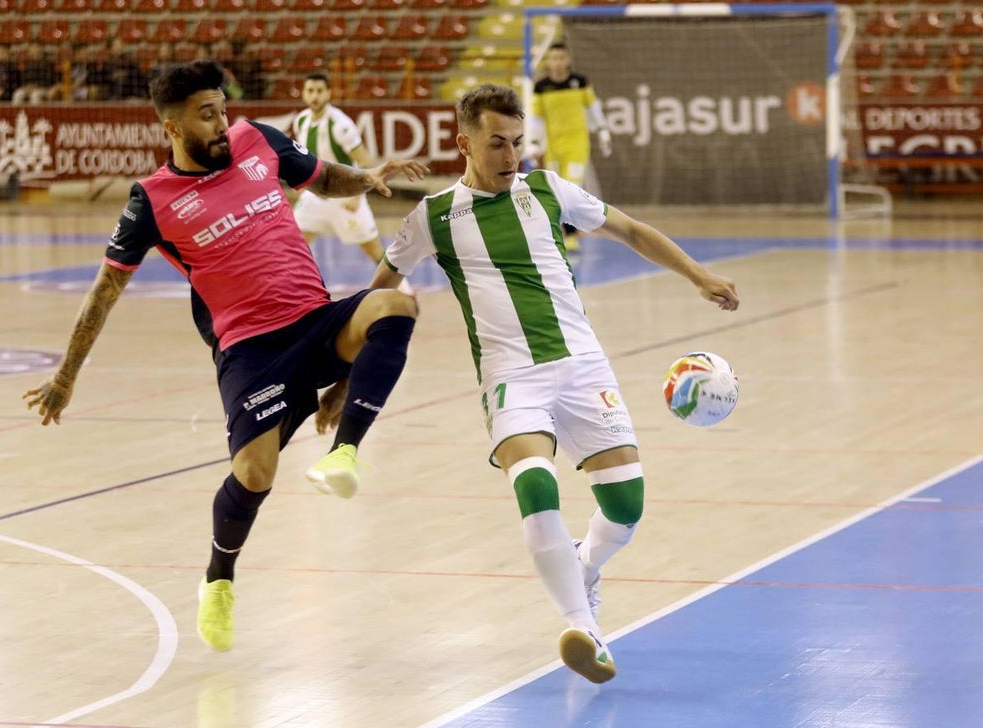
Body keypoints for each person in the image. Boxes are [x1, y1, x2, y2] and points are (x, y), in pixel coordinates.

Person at [22, 60, 427, 652]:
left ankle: (345, 454)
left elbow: (319, 176)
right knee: (255, 474)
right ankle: (218, 580)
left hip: (315, 322)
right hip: (251, 352)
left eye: (222, 110)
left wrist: (368, 176)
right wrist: (65, 375)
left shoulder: (255, 140)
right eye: (206, 115)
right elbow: (104, 292)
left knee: (394, 306)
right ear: (171, 126)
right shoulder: (152, 202)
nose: (220, 124)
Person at [364, 84, 739, 684]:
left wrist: (696, 274)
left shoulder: (547, 190)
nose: (511, 155)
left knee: (625, 507)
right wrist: (347, 374)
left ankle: (584, 568)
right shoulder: (431, 217)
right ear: (464, 143)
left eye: (517, 142)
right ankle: (581, 627)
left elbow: (632, 230)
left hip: (583, 366)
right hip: (510, 377)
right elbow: (379, 291)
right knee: (535, 485)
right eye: (496, 143)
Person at [291, 72, 413, 295]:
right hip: (315, 197)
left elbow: (365, 162)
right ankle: (296, 295)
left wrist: (358, 196)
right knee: (293, 245)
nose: (315, 96)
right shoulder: (301, 121)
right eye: (310, 91)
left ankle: (405, 293)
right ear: (304, 94)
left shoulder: (340, 124)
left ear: (328, 93)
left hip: (346, 196)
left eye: (319, 91)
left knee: (373, 250)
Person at [526, 41, 613, 252]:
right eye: (553, 58)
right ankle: (559, 233)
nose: (557, 62)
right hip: (554, 146)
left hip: (577, 145)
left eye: (561, 58)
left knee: (571, 186)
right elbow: (536, 118)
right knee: (556, 189)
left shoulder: (579, 82)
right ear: (548, 61)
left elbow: (593, 108)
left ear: (568, 60)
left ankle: (572, 235)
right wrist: (534, 142)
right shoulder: (541, 86)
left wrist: (602, 130)